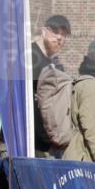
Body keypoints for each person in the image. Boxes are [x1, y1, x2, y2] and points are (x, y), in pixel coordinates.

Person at [31, 13, 71, 156]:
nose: (59, 38)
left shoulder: (53, 64)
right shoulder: (30, 57)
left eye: (63, 34)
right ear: (43, 31)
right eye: (54, 32)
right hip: (26, 141)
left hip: (46, 143)